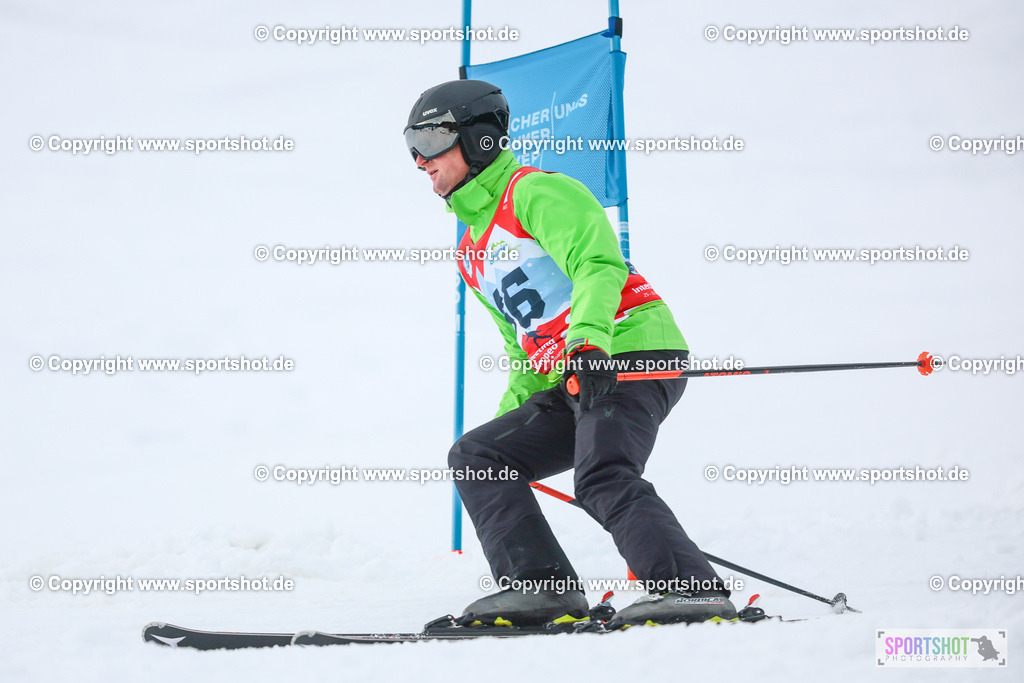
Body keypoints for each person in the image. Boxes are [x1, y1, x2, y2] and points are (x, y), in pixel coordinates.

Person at [404, 79, 736, 628]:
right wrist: (512, 435)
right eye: (411, 146)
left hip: (629, 349)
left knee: (602, 473)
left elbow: (599, 266)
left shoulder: (535, 193)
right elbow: (522, 346)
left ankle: (692, 592)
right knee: (479, 458)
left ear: (480, 138)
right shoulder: (469, 250)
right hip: (577, 373)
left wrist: (586, 341)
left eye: (432, 138)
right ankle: (542, 591)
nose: (421, 159)